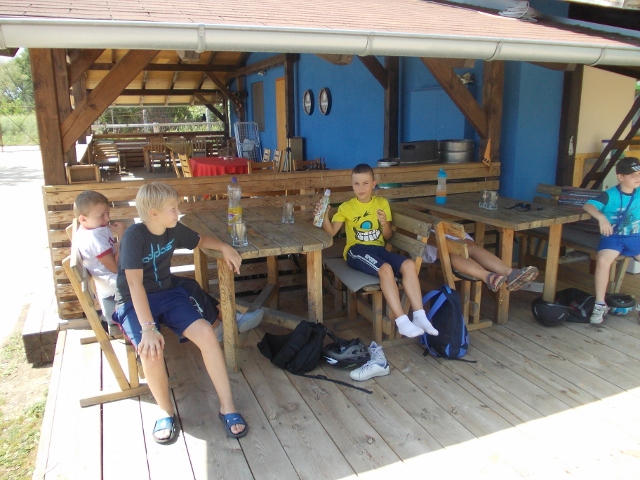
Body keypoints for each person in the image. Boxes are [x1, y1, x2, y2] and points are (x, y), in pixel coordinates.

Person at [114, 182, 256, 444]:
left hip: (167, 293)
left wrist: (224, 247)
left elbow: (200, 240)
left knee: (207, 334)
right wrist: (148, 328)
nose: (178, 212)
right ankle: (165, 411)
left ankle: (227, 407)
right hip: (134, 301)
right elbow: (134, 284)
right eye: (173, 208)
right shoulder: (135, 236)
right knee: (151, 350)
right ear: (154, 214)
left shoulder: (173, 229)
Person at [317, 163, 439, 339]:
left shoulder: (381, 203)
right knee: (386, 269)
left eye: (365, 183)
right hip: (356, 251)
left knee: (409, 264)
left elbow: (388, 235)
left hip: (378, 249)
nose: (361, 188)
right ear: (352, 185)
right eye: (356, 184)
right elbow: (331, 233)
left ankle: (420, 316)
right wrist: (324, 217)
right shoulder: (346, 207)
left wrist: (384, 223)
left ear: (373, 184)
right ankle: (402, 321)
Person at [583, 156, 640, 324]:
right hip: (613, 237)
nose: (637, 178)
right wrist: (601, 218)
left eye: (639, 174)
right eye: (632, 175)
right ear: (620, 177)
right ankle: (600, 304)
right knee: (602, 261)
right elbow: (588, 205)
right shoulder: (609, 195)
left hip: (635, 236)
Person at [73, 190, 126, 334]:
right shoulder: (93, 239)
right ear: (83, 219)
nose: (107, 219)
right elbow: (115, 268)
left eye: (108, 213)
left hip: (107, 278)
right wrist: (122, 236)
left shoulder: (94, 227)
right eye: (101, 215)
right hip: (112, 281)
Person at [422, 234, 539, 293]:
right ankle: (489, 277)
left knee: (469, 245)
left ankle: (510, 273)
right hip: (423, 235)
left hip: (440, 226)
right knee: (454, 250)